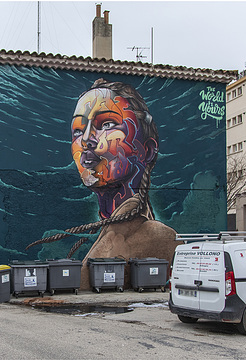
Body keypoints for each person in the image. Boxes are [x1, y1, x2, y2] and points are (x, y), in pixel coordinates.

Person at [70, 78, 180, 289]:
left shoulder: (160, 238)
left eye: (107, 124)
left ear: (146, 150)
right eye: (77, 129)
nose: (86, 139)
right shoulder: (108, 227)